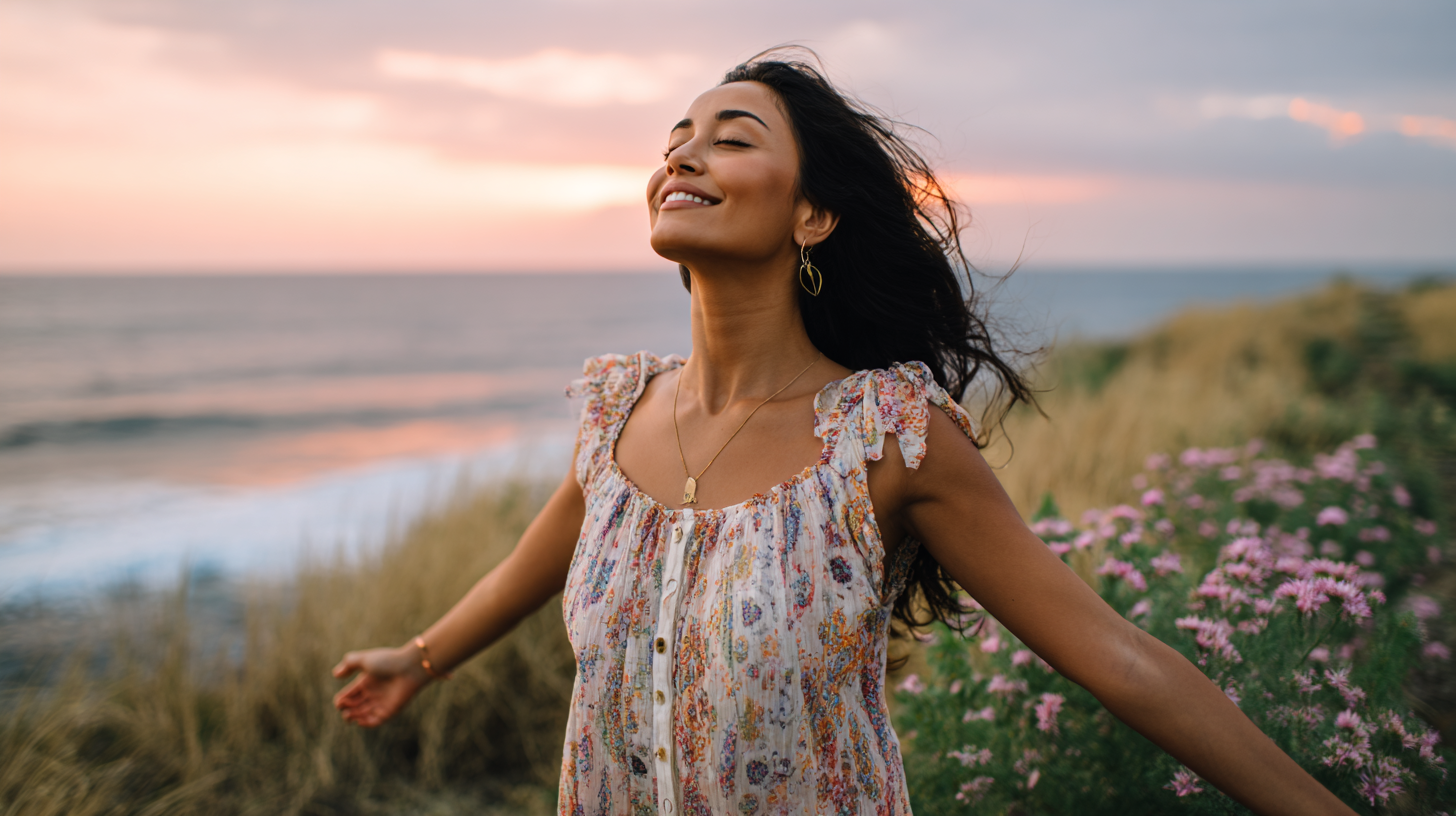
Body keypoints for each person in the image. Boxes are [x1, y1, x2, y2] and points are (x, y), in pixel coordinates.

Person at [332, 51, 1358, 815]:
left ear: (811, 216)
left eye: (730, 137)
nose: (684, 153)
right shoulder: (619, 412)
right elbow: (548, 552)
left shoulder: (887, 439)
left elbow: (1117, 659)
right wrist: (420, 659)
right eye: (675, 141)